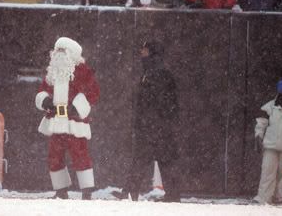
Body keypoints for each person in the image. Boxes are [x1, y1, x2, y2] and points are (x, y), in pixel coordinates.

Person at [112, 41, 180, 202]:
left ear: (151, 53)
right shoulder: (154, 71)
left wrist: (148, 121)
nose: (141, 53)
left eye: (144, 50)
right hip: (158, 125)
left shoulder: (155, 73)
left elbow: (157, 101)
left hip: (153, 126)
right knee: (160, 160)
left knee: (143, 159)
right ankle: (170, 194)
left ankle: (130, 191)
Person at [35, 37, 100, 200]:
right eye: (57, 51)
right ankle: (61, 190)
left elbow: (93, 92)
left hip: (74, 121)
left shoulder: (83, 71)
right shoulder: (53, 72)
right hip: (56, 121)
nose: (59, 54)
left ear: (72, 54)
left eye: (63, 51)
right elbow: (43, 89)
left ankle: (87, 191)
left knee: (80, 154)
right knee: (54, 155)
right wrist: (45, 100)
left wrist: (77, 107)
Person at [254, 80, 282, 205]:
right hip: (271, 147)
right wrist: (258, 136)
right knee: (267, 173)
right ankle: (263, 198)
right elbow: (261, 123)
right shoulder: (269, 106)